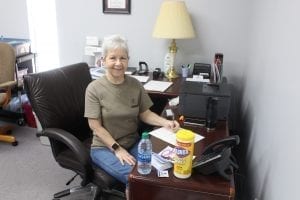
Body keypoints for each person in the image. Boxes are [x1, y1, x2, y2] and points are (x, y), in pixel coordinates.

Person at [84, 34, 180, 199]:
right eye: (113, 58)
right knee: (136, 178)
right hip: (104, 148)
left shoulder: (135, 84)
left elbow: (145, 113)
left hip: (133, 142)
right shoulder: (94, 89)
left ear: (128, 60)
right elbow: (95, 127)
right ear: (104, 60)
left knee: (158, 169)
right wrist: (117, 149)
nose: (118, 63)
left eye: (123, 58)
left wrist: (166, 122)